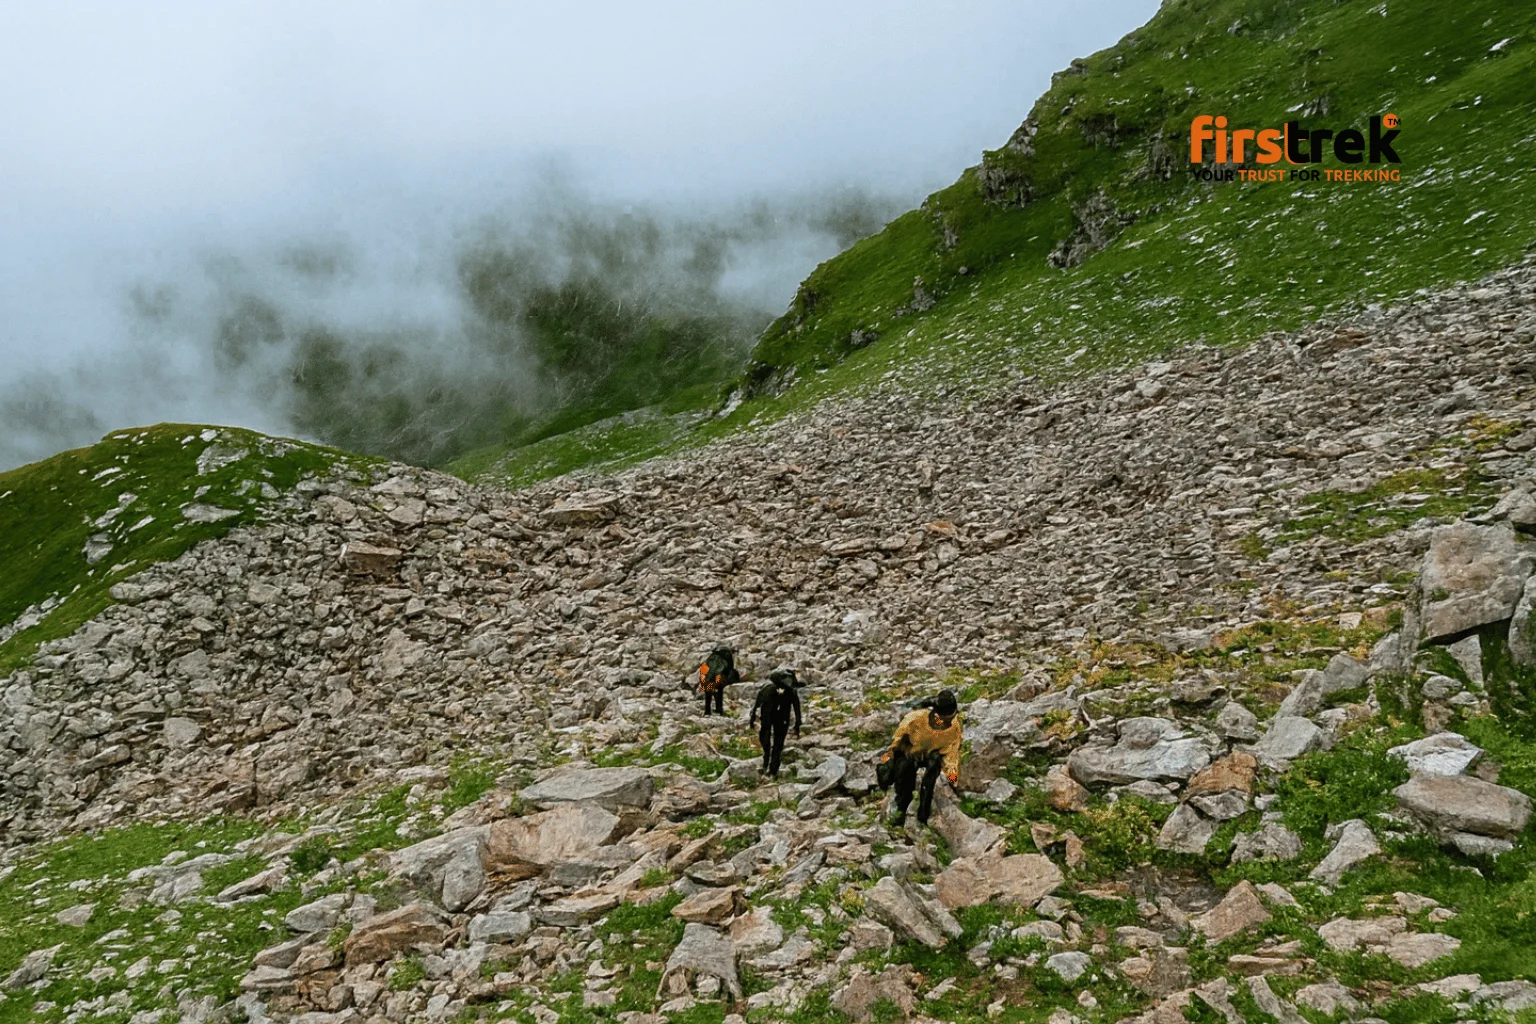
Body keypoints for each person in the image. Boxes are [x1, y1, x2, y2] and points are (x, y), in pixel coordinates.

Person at [878, 688, 962, 827]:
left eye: (951, 718)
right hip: (909, 753)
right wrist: (890, 758)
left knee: (935, 763)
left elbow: (951, 759)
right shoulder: (915, 719)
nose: (948, 723)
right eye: (944, 720)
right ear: (936, 715)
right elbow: (896, 744)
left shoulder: (954, 729)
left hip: (928, 756)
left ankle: (923, 815)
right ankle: (900, 810)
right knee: (905, 771)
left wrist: (953, 780)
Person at [750, 668, 802, 778]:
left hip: (777, 717)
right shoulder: (770, 689)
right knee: (771, 740)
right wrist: (797, 724)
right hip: (772, 716)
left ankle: (772, 768)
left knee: (777, 743)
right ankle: (768, 761)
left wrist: (798, 723)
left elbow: (797, 707)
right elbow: (757, 703)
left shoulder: (789, 691)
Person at [696, 643, 739, 716]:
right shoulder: (725, 660)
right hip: (717, 678)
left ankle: (707, 711)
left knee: (708, 695)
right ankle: (719, 710)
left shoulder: (711, 658)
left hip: (707, 678)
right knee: (718, 694)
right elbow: (728, 669)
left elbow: (706, 668)